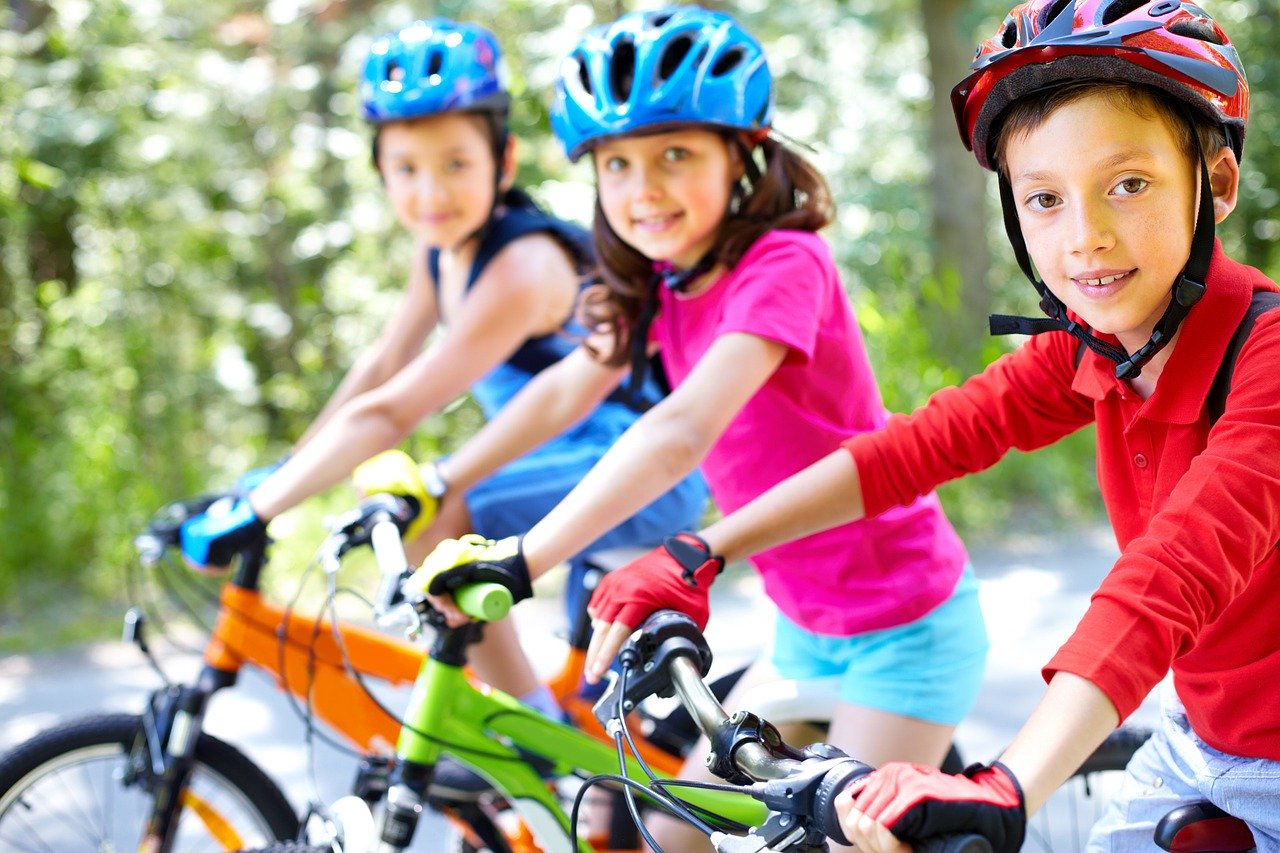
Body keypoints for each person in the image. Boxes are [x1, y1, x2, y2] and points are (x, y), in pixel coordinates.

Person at [571, 1, 1279, 850]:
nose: (1085, 237)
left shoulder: (1266, 358)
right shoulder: (1093, 350)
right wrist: (703, 550)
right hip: (1200, 743)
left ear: (1219, 184)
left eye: (1127, 184)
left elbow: (1172, 576)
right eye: (1045, 198)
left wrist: (1008, 783)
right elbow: (910, 450)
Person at [412, 7, 988, 849]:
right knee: (675, 831)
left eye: (675, 155)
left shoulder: (784, 264)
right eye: (617, 164)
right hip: (808, 631)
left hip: (905, 632)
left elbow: (683, 428)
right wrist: (441, 482)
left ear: (742, 153)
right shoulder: (661, 284)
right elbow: (564, 391)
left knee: (844, 840)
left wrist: (528, 555)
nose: (644, 188)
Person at [176, 18, 706, 736]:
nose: (432, 192)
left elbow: (395, 410)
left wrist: (265, 507)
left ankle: (529, 733)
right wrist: (278, 474)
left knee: (441, 515)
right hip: (568, 464)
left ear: (505, 160)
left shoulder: (519, 266)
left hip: (640, 472)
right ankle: (544, 736)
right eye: (407, 168)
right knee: (606, 743)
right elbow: (381, 367)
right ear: (381, 171)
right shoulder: (444, 252)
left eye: (457, 164)